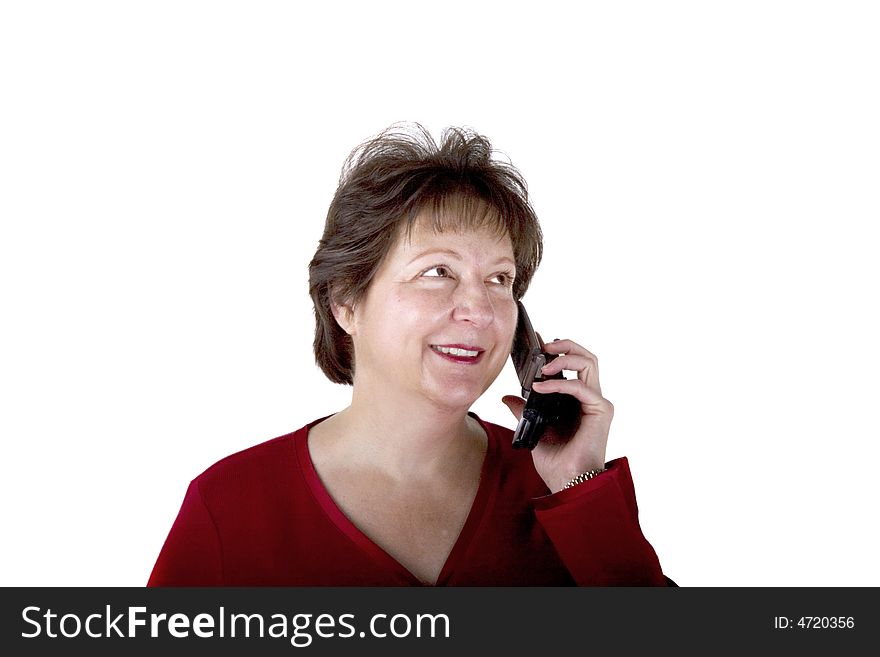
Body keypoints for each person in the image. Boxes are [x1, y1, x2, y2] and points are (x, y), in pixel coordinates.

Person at [147, 124, 673, 586]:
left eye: (500, 279)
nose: (480, 310)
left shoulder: (560, 494)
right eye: (437, 272)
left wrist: (582, 484)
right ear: (346, 302)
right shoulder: (230, 509)